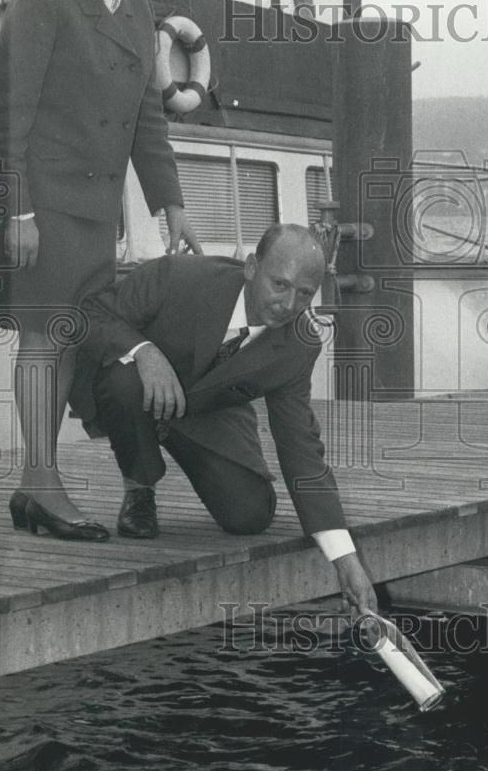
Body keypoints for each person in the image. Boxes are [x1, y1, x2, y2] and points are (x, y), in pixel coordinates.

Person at [0, 0, 200, 542]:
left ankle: (35, 489)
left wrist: (172, 205)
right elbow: (12, 113)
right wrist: (17, 210)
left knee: (63, 343)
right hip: (46, 205)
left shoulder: (139, 9)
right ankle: (40, 484)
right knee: (43, 339)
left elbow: (148, 116)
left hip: (96, 211)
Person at [70, 224, 377, 617]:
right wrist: (143, 350)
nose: (288, 304)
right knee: (124, 378)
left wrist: (345, 559)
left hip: (209, 410)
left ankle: (168, 432)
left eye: (304, 294)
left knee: (249, 515)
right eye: (279, 285)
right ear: (251, 267)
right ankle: (139, 485)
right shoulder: (178, 276)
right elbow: (91, 313)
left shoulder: (300, 344)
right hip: (136, 390)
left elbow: (302, 448)